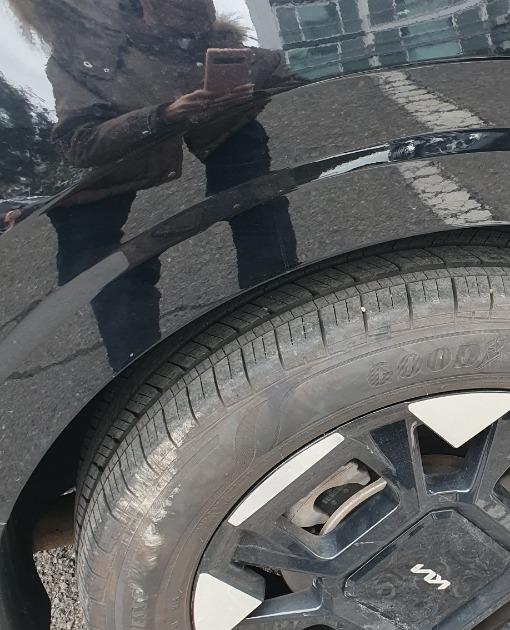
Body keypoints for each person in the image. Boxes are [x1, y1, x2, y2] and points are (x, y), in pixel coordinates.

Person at [9, 0, 299, 369]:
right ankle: (139, 372)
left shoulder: (213, 44)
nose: (193, 9)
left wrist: (250, 91)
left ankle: (279, 311)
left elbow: (291, 80)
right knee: (104, 267)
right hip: (104, 178)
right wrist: (163, 116)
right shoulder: (83, 58)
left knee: (257, 188)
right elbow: (78, 143)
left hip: (211, 145)